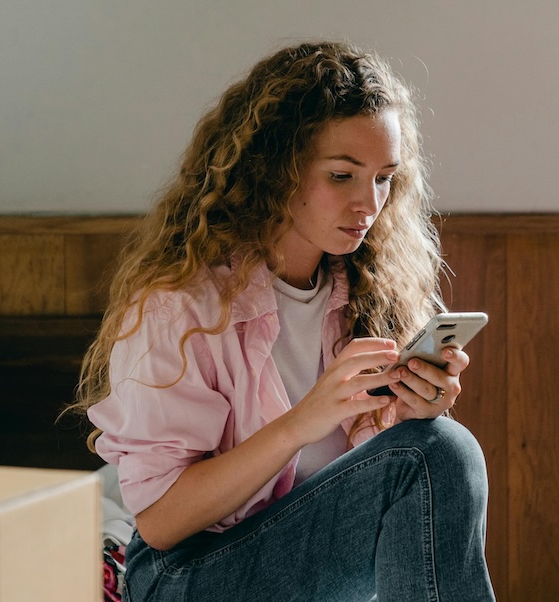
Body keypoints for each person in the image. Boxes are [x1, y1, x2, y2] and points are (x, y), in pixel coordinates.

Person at [72, 40, 495, 601]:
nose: (368, 204)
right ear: (277, 171)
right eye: (342, 176)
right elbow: (159, 523)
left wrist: (416, 409)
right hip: (184, 574)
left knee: (435, 444)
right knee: (438, 451)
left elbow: (377, 499)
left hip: (299, 562)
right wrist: (301, 422)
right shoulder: (182, 304)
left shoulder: (369, 296)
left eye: (384, 178)